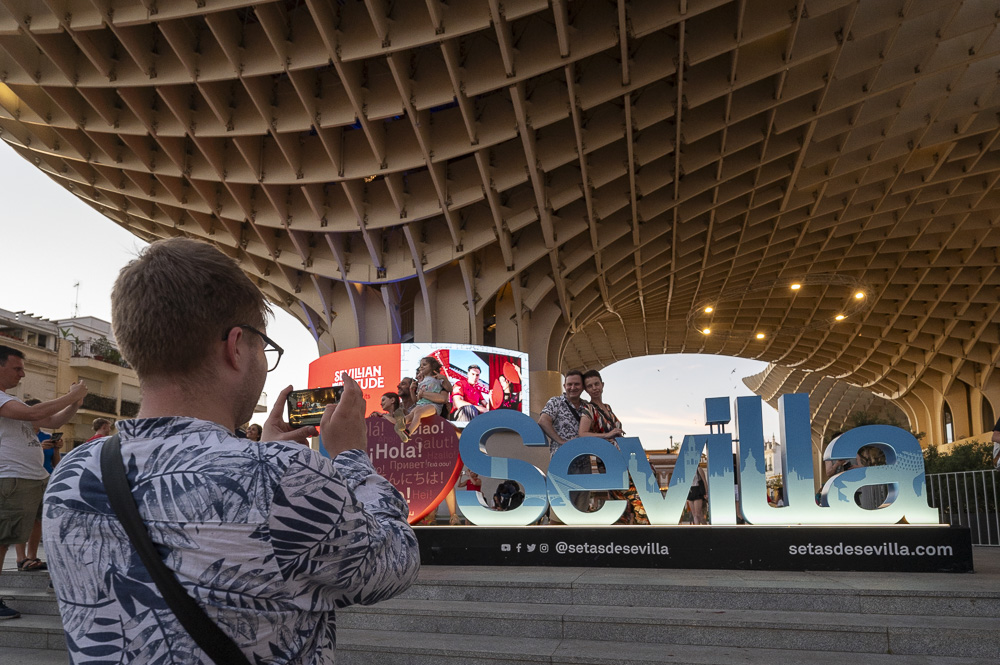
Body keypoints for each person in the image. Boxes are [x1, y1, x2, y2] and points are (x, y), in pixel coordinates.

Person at [42, 237, 420, 662]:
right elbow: (393, 563)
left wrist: (267, 458)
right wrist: (352, 458)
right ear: (236, 346)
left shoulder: (70, 476)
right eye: (264, 346)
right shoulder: (283, 478)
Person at [0, 345, 87, 619]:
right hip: (11, 479)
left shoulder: (15, 403)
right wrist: (70, 395)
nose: (22, 374)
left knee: (17, 535)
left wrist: (75, 403)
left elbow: (51, 418)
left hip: (33, 479)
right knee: (1, 541)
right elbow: (34, 415)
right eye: (17, 368)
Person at [578, 369, 647, 524]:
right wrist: (607, 435)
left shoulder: (607, 407)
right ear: (586, 390)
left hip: (623, 457)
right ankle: (635, 534)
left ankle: (632, 534)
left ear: (602, 385)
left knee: (628, 496)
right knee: (628, 496)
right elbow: (582, 433)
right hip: (609, 459)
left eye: (596, 384)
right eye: (589, 386)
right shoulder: (588, 409)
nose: (594, 388)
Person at [538, 370, 592, 512]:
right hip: (562, 463)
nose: (572, 387)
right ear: (564, 385)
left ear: (582, 387)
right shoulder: (555, 402)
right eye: (569, 384)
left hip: (584, 464)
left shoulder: (587, 407)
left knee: (581, 511)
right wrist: (561, 441)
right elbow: (543, 421)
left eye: (576, 384)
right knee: (560, 510)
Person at [403, 356, 451, 435]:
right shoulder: (421, 383)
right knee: (411, 414)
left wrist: (444, 379)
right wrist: (413, 391)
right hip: (421, 404)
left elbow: (449, 390)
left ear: (433, 367)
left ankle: (409, 432)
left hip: (433, 405)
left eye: (424, 365)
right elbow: (417, 400)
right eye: (420, 365)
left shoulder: (438, 379)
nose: (421, 367)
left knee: (418, 412)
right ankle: (399, 425)